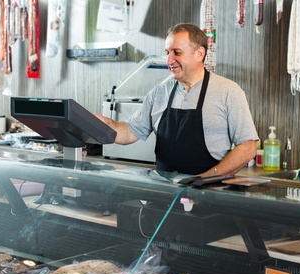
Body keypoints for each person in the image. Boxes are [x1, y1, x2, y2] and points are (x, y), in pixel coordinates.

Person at [96, 23, 258, 176]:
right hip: (167, 194)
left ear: (199, 54)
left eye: (177, 52)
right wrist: (103, 124)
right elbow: (129, 132)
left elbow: (248, 147)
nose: (169, 61)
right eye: (167, 53)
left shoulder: (228, 91)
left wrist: (204, 179)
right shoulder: (159, 93)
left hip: (211, 195)